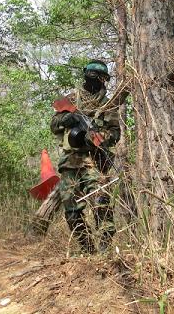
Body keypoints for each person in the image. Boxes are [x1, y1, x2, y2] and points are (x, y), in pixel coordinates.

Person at [50, 60, 120, 254]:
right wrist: (67, 119)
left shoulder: (108, 105)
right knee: (72, 211)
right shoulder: (70, 99)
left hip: (94, 161)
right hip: (70, 162)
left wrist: (98, 137)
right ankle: (88, 250)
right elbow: (53, 125)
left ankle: (105, 249)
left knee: (101, 201)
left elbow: (115, 134)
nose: (95, 81)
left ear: (103, 80)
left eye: (99, 78)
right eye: (91, 76)